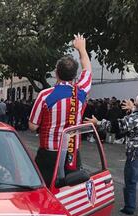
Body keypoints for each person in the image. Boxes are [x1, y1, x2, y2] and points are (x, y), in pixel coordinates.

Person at [28, 34, 92, 186]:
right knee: (72, 190)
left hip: (49, 154)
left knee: (45, 189)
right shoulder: (81, 92)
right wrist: (82, 49)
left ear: (56, 73)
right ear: (74, 76)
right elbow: (87, 70)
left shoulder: (45, 95)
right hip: (72, 153)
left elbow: (33, 126)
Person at [85, 92, 138, 215]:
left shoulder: (133, 118)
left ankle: (129, 207)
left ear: (136, 104)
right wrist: (134, 108)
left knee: (131, 180)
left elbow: (115, 127)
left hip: (137, 151)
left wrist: (97, 122)